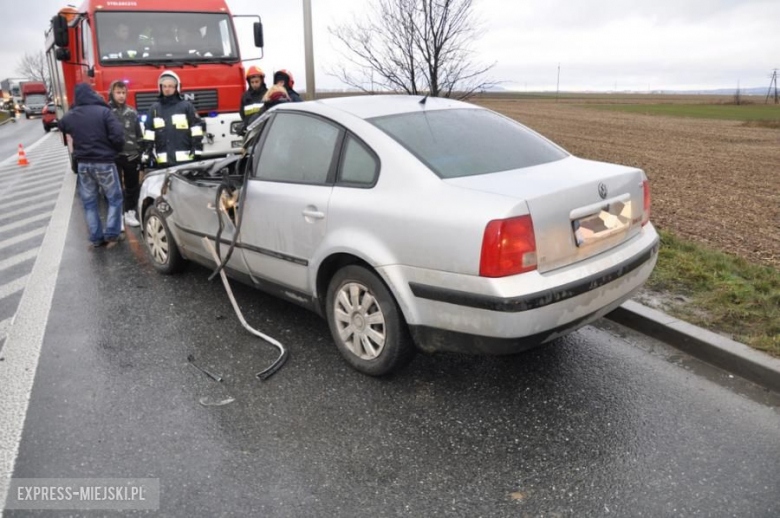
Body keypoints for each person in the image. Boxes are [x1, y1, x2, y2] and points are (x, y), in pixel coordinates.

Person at [58, 83, 125, 249]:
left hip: (83, 165)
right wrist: (115, 149)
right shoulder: (104, 112)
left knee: (89, 203)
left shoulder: (71, 115)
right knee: (114, 199)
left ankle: (96, 238)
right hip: (105, 162)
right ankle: (112, 234)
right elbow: (117, 135)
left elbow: (61, 126)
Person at [142, 70, 205, 168]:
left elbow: (196, 129)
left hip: (185, 162)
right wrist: (148, 153)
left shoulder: (186, 107)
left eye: (170, 86)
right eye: (164, 86)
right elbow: (149, 133)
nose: (167, 89)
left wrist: (196, 150)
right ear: (160, 88)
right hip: (163, 163)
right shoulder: (154, 109)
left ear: (177, 87)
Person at [108, 80, 143, 227]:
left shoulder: (132, 111)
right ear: (112, 93)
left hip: (131, 154)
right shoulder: (106, 111)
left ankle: (130, 212)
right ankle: (118, 217)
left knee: (132, 186)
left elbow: (138, 133)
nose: (121, 96)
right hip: (114, 155)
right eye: (118, 92)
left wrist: (141, 152)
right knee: (114, 188)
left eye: (123, 93)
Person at [239, 66, 267, 131]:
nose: (254, 84)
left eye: (257, 82)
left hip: (263, 130)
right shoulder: (245, 96)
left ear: (261, 81)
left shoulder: (267, 94)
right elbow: (242, 114)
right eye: (252, 82)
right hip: (249, 131)